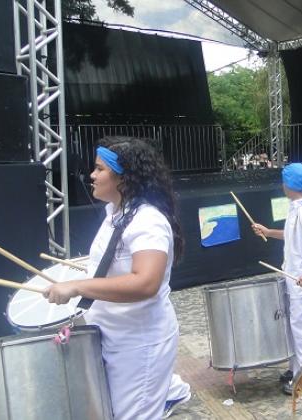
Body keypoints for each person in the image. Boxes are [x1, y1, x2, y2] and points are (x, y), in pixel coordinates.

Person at [44, 137, 185, 420]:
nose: (91, 175)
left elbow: (145, 283)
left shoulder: (148, 220)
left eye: (99, 169)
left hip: (139, 342)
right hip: (113, 335)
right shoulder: (115, 213)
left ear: (124, 177)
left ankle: (172, 391)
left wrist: (77, 287)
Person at [251, 163, 302, 395]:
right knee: (296, 328)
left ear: (288, 185)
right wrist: (268, 232)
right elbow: (293, 236)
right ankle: (296, 368)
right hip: (297, 279)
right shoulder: (298, 206)